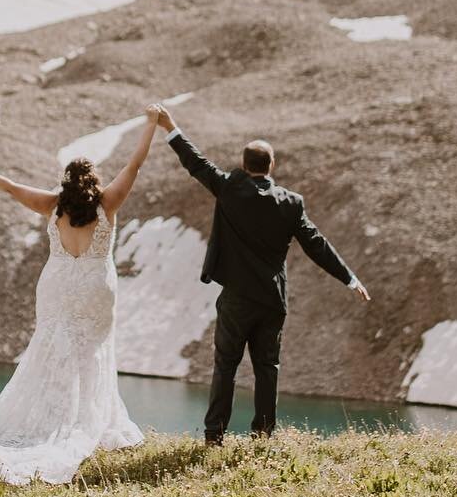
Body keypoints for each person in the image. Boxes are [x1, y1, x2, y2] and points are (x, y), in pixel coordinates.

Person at [0, 108, 162, 483]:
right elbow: (134, 166)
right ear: (93, 182)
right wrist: (150, 125)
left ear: (66, 183)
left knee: (53, 348)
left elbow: (8, 186)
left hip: (56, 285)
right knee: (90, 351)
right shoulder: (108, 204)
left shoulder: (51, 205)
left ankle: (50, 417)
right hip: (95, 288)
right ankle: (88, 419)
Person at [152, 103, 368, 444]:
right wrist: (349, 278)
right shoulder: (291, 203)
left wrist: (170, 125)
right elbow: (316, 245)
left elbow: (195, 162)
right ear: (272, 166)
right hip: (272, 299)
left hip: (237, 299)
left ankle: (214, 436)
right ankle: (263, 435)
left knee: (226, 366)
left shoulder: (228, 188)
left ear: (243, 164)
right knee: (268, 369)